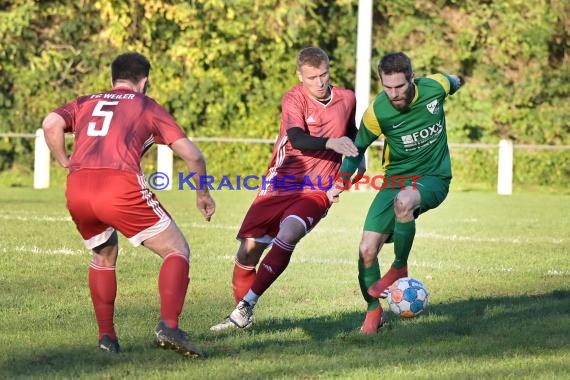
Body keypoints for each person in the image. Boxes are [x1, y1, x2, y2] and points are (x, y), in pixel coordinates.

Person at [41, 52, 216, 356]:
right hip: (118, 185)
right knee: (176, 250)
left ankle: (107, 339)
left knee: (104, 256)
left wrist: (64, 161)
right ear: (145, 81)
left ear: (113, 79)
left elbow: (50, 122)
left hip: (78, 187)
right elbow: (193, 156)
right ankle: (169, 327)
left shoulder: (85, 102)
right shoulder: (146, 105)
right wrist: (202, 194)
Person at [210, 46, 363, 331]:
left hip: (318, 187)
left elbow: (352, 130)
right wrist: (331, 143)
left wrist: (359, 156)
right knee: (248, 252)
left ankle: (244, 308)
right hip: (281, 180)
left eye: (323, 74)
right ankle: (243, 320)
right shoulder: (293, 98)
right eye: (311, 77)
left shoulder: (347, 98)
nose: (319, 83)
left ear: (330, 69)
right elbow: (296, 138)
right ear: (299, 76)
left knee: (289, 232)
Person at [327, 52, 463, 335]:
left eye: (399, 87)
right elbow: (356, 150)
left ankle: (399, 267)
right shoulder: (378, 111)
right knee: (366, 249)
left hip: (434, 178)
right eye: (387, 87)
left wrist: (458, 81)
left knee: (405, 200)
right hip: (394, 180)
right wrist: (340, 181)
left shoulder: (434, 87)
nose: (393, 94)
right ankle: (374, 313)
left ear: (412, 79)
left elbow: (455, 80)